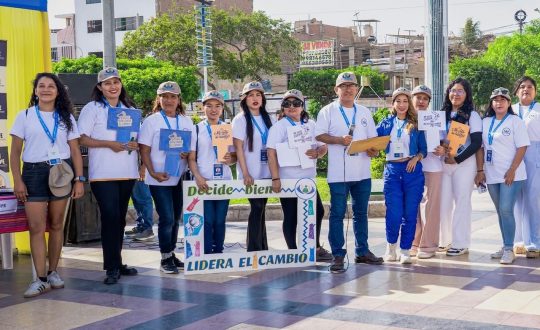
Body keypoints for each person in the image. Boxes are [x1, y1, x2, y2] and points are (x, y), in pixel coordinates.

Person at [10, 73, 84, 297]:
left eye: (51, 86)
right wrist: (18, 180)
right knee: (36, 227)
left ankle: (53, 272)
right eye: (41, 86)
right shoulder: (24, 116)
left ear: (58, 91)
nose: (45, 89)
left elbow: (75, 151)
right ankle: (40, 278)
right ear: (35, 91)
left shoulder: (66, 118)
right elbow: (14, 153)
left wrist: (79, 179)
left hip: (61, 172)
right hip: (33, 173)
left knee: (56, 225)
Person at [315, 72, 383, 273]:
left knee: (361, 213)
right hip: (338, 174)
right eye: (343, 86)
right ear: (336, 90)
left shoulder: (363, 112)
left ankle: (362, 251)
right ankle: (337, 254)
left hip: (362, 172)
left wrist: (374, 149)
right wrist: (338, 140)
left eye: (351, 85)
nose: (348, 89)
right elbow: (318, 134)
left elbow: (373, 140)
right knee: (337, 214)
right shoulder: (327, 111)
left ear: (356, 89)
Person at [78, 67, 139, 284]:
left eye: (116, 82)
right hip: (103, 174)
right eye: (107, 83)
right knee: (110, 217)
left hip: (127, 173)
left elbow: (135, 139)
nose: (113, 87)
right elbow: (81, 139)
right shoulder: (92, 108)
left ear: (121, 85)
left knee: (120, 220)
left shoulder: (129, 109)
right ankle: (111, 266)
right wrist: (108, 144)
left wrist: (134, 144)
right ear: (100, 87)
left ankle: (118, 262)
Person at [267, 89, 333, 261]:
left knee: (317, 211)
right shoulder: (278, 127)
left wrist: (319, 152)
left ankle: (314, 247)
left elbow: (323, 146)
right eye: (287, 104)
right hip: (288, 179)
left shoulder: (311, 125)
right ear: (282, 108)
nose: (292, 107)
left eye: (296, 103)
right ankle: (292, 251)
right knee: (291, 215)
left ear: (302, 106)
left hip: (307, 179)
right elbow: (271, 154)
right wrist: (275, 178)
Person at [139, 81, 192, 273]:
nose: (169, 100)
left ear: (179, 100)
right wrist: (152, 171)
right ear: (158, 99)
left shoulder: (186, 121)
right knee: (166, 217)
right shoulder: (151, 121)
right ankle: (164, 258)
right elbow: (144, 149)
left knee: (176, 217)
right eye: (165, 96)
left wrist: (187, 154)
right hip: (159, 178)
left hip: (178, 176)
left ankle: (171, 254)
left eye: (173, 96)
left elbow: (190, 148)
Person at [475, 87, 529, 264]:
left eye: (503, 100)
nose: (499, 103)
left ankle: (508, 249)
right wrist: (480, 171)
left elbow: (522, 147)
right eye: (496, 100)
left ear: (508, 103)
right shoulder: (486, 121)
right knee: (500, 211)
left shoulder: (515, 121)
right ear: (492, 103)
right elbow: (481, 147)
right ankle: (505, 244)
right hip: (492, 174)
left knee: (506, 209)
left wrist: (512, 169)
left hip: (512, 174)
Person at [376, 88, 427, 264]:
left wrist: (416, 158)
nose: (402, 104)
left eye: (405, 101)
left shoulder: (416, 124)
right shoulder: (386, 123)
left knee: (410, 213)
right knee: (394, 212)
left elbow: (424, 149)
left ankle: (405, 250)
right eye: (399, 101)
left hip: (412, 171)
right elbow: (374, 142)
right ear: (393, 103)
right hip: (392, 170)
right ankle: (391, 248)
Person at [439, 78, 482, 257]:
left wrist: (457, 159)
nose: (455, 94)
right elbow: (437, 138)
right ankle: (445, 240)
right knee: (443, 203)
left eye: (460, 91)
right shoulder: (441, 114)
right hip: (443, 164)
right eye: (452, 90)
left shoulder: (472, 115)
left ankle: (461, 242)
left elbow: (477, 143)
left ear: (467, 95)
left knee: (462, 203)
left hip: (464, 164)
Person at [188, 90, 236, 254]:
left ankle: (219, 251)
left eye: (217, 106)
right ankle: (207, 251)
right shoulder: (196, 129)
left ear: (222, 108)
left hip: (224, 180)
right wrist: (198, 176)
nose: (213, 110)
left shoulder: (227, 128)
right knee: (207, 220)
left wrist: (231, 159)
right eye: (209, 106)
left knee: (220, 220)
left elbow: (235, 156)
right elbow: (191, 158)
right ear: (203, 107)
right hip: (205, 182)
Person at [232, 81, 274, 252]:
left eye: (258, 95)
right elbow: (239, 149)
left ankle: (262, 246)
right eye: (251, 95)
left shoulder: (268, 117)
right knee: (256, 208)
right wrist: (245, 173)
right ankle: (254, 249)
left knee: (262, 208)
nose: (255, 98)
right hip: (251, 174)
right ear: (244, 99)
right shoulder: (240, 120)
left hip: (266, 172)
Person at [410, 85, 445, 259]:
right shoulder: (405, 119)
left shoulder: (436, 118)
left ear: (429, 102)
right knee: (412, 206)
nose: (421, 101)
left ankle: (429, 245)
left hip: (433, 167)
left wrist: (442, 149)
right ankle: (414, 243)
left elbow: (446, 142)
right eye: (418, 97)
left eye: (425, 98)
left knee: (430, 207)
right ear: (412, 99)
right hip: (411, 168)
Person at [511, 76, 540, 258]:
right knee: (514, 198)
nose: (526, 89)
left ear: (535, 91)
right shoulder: (510, 109)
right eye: (522, 87)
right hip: (512, 154)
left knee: (532, 197)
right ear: (516, 91)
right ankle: (517, 241)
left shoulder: (538, 109)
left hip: (533, 152)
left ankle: (534, 241)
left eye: (530, 87)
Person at [125, 173, 155, 241]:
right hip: (131, 170)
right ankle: (141, 227)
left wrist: (143, 168)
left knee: (143, 198)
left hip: (139, 169)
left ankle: (147, 229)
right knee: (136, 198)